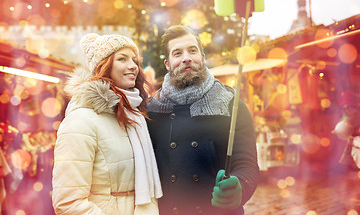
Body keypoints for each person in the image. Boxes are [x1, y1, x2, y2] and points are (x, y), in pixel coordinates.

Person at [146, 25, 259, 215]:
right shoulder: (151, 111)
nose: (186, 58)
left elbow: (247, 164)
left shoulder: (231, 104)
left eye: (192, 50)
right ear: (167, 64)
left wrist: (240, 186)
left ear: (203, 57)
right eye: (177, 53)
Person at [52, 33, 162, 215]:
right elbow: (68, 202)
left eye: (135, 60)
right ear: (103, 66)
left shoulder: (135, 116)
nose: (132, 66)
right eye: (122, 59)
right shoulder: (81, 119)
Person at [332, 90, 360, 171]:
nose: (346, 110)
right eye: (344, 108)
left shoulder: (357, 116)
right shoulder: (346, 117)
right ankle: (344, 164)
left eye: (348, 107)